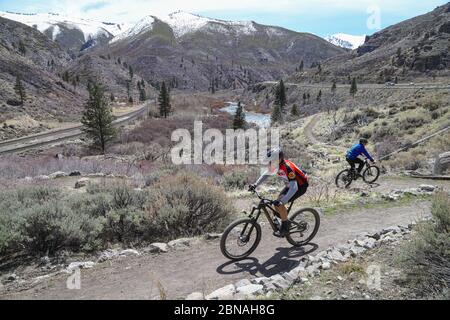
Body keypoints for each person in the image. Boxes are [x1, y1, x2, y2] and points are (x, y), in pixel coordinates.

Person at [249, 148, 309, 237]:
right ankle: (284, 220)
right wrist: (255, 184)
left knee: (280, 203)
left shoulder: (287, 168)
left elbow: (294, 187)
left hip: (300, 186)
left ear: (279, 159)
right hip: (290, 185)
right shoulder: (276, 165)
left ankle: (285, 227)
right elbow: (266, 174)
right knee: (276, 203)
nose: (270, 162)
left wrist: (282, 201)